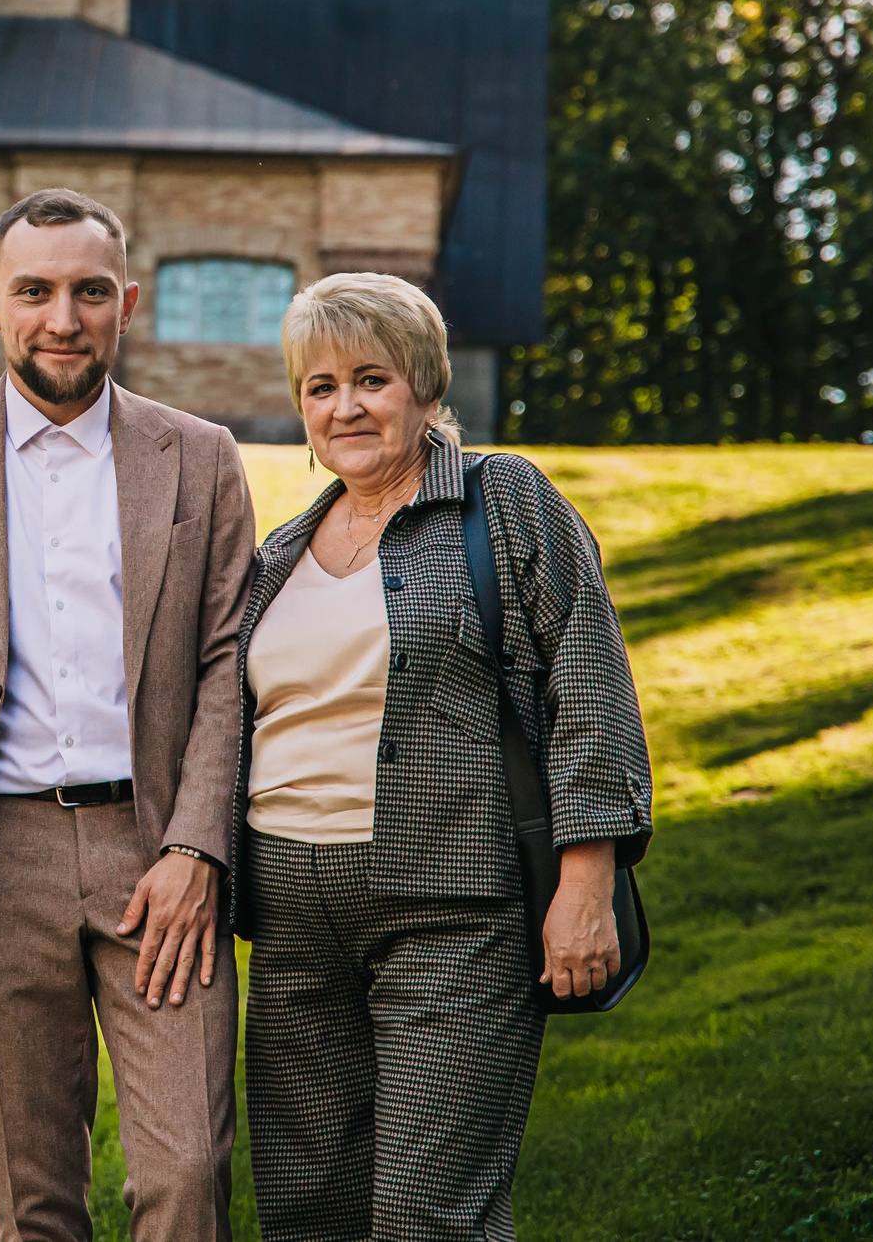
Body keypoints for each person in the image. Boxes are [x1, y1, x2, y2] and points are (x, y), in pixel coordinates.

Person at [0, 189, 257, 1242]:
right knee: (31, 1206)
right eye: (33, 292)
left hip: (158, 854)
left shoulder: (201, 458)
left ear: (128, 303)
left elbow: (227, 666)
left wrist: (198, 846)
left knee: (186, 1176)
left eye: (86, 292)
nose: (61, 319)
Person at [235, 274, 652, 1241]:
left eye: (371, 379)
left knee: (431, 1217)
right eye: (320, 386)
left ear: (425, 387)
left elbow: (588, 686)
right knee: (307, 1212)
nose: (345, 406)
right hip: (294, 923)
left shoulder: (499, 501)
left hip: (455, 913)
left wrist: (585, 881)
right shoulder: (282, 552)